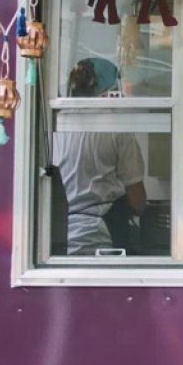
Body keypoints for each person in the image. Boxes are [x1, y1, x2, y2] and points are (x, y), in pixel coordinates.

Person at [53, 58, 147, 255]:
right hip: (104, 240)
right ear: (111, 91)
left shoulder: (58, 125)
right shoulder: (117, 128)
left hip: (62, 237)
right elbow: (137, 202)